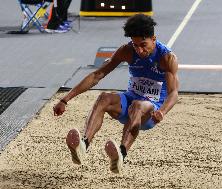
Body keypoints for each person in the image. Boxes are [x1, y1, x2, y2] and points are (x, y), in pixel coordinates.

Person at [53, 14, 179, 173]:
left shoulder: (166, 58)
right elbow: (96, 75)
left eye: (143, 45)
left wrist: (162, 111)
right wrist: (65, 100)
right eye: (135, 45)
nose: (139, 50)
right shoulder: (126, 51)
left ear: (154, 39)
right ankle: (83, 145)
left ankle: (121, 153)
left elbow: (174, 92)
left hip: (150, 111)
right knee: (104, 97)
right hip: (129, 101)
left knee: (138, 105)